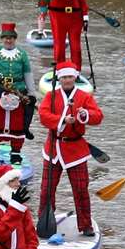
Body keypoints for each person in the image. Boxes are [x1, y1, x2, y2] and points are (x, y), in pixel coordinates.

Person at [37, 65, 102, 237]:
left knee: (81, 189)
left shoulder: (84, 96)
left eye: (69, 77)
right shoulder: (51, 96)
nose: (67, 80)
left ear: (75, 78)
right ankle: (44, 223)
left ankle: (85, 225)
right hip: (53, 148)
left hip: (76, 149)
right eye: (64, 78)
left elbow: (98, 116)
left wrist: (84, 115)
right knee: (46, 189)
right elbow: (43, 116)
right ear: (59, 79)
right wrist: (62, 120)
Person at [0, 23, 33, 165]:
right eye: (5, 38)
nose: (8, 40)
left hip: (18, 88)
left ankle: (25, 131)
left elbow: (28, 74)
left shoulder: (22, 54)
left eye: (11, 38)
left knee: (29, 106)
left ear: (15, 39)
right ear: (2, 38)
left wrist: (31, 93)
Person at [48, 0, 88, 68]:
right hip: (58, 18)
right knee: (59, 45)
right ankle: (60, 69)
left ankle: (76, 70)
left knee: (76, 46)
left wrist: (85, 17)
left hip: (75, 18)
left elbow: (83, 1)